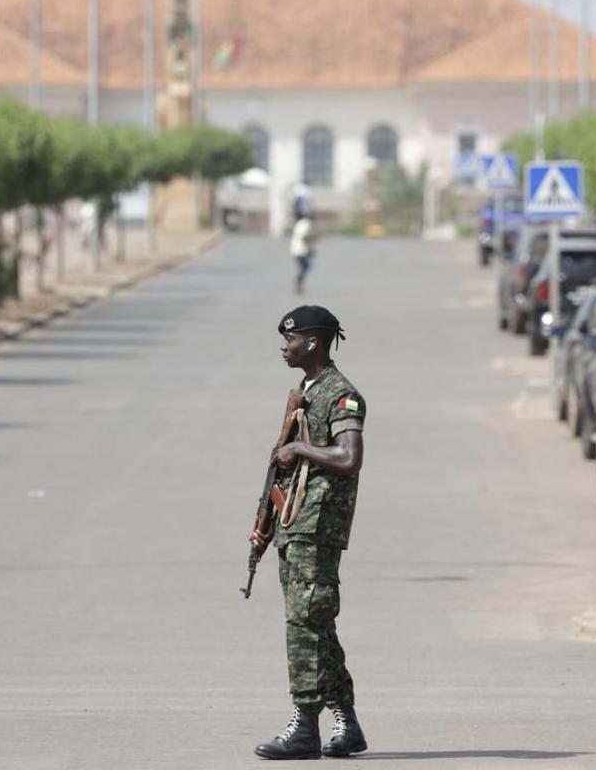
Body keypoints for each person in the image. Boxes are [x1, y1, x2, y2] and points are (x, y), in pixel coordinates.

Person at [250, 305, 368, 760]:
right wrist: (264, 524)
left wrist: (299, 447)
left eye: (291, 338)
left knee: (304, 625)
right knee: (316, 624)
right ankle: (347, 723)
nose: (285, 346)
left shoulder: (341, 395)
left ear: (313, 342)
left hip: (318, 527)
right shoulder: (308, 390)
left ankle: (305, 726)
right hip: (296, 524)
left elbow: (349, 456)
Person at [289, 184, 316, 295]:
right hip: (301, 250)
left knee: (304, 266)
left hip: (295, 249)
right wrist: (310, 248)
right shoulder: (306, 223)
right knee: (306, 266)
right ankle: (299, 282)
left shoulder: (299, 223)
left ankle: (299, 283)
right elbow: (305, 237)